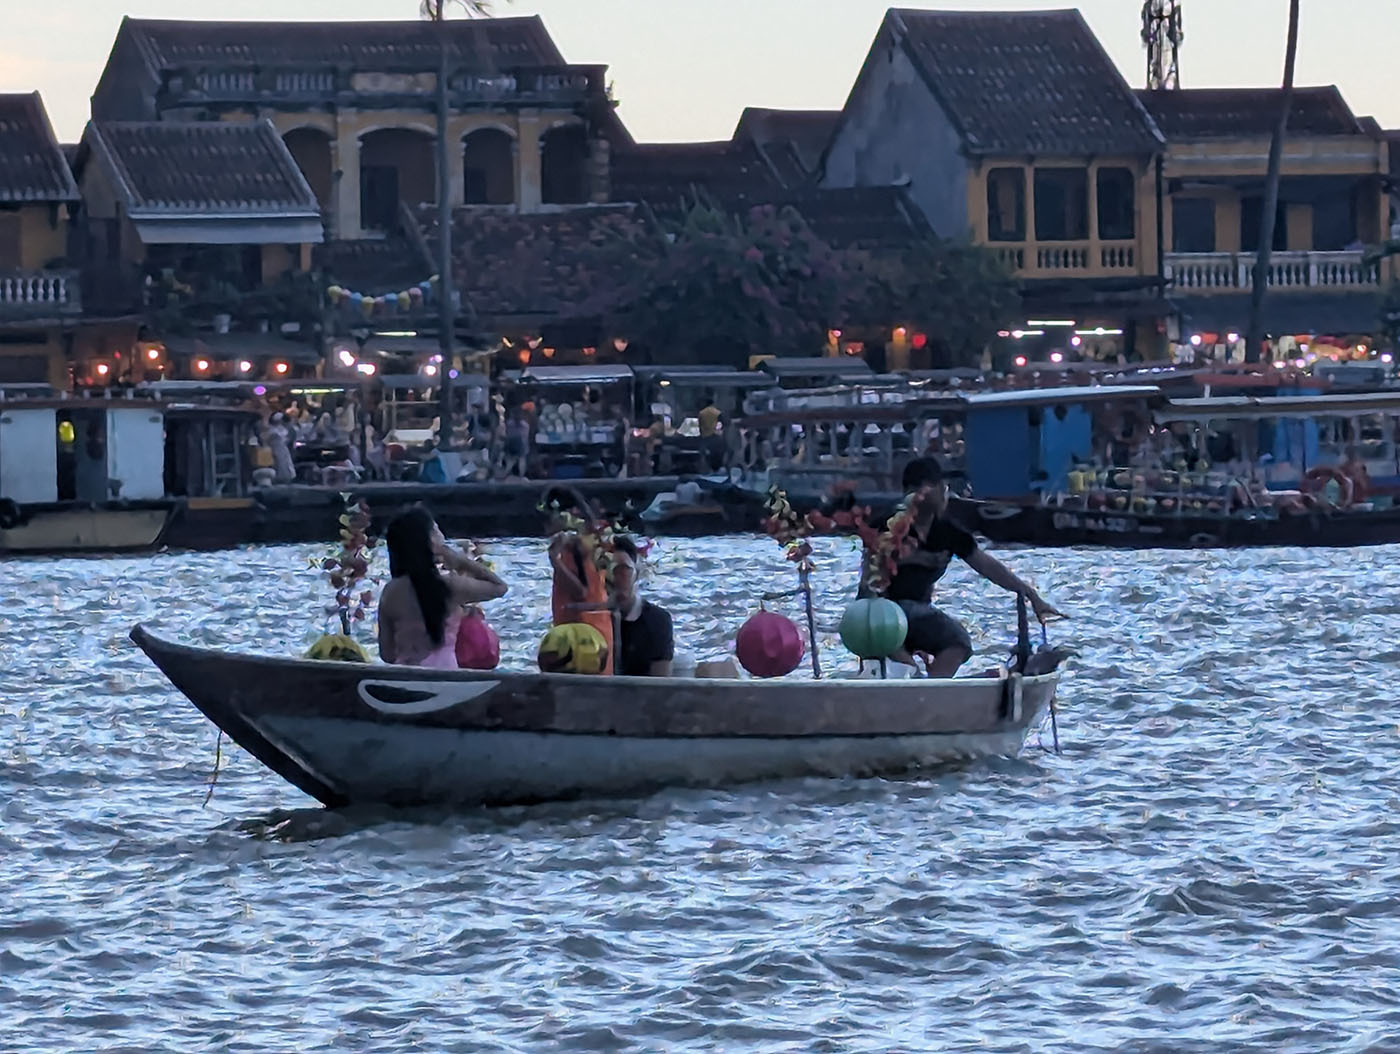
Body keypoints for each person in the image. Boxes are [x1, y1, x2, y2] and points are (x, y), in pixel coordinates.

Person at [882, 458, 1062, 677]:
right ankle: (918, 686)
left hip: (917, 615)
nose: (945, 494)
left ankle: (931, 691)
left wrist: (1030, 595)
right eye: (940, 488)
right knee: (950, 639)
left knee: (958, 644)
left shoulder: (947, 531)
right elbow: (872, 573)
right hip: (881, 613)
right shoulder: (887, 526)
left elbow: (988, 566)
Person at [378, 507, 507, 668]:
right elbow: (499, 587)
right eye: (437, 529)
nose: (443, 535)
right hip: (445, 673)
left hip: (404, 676)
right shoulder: (449, 585)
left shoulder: (390, 592)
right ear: (430, 540)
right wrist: (461, 561)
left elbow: (387, 654)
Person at [544, 485, 614, 674]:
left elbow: (581, 591)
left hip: (583, 634)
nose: (547, 526)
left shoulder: (577, 545)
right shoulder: (590, 538)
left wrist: (554, 560)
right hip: (592, 625)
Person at [611, 536, 673, 677]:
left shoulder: (657, 621)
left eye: (624, 569)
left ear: (636, 574)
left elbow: (662, 686)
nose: (616, 577)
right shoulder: (590, 618)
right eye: (609, 569)